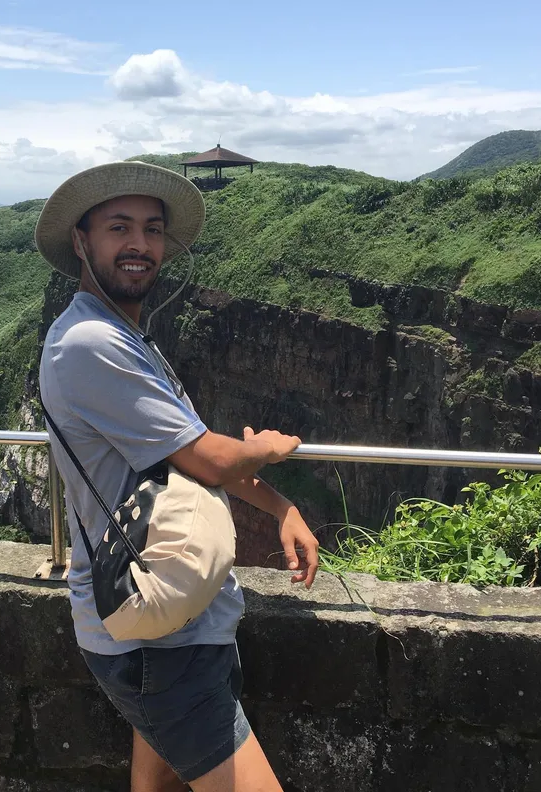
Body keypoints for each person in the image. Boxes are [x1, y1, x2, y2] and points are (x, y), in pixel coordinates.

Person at [36, 161, 319, 791]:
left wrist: (280, 509)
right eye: (118, 227)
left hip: (176, 621)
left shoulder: (132, 339)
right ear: (82, 241)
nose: (139, 244)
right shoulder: (88, 343)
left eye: (152, 229)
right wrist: (269, 447)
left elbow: (189, 454)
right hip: (159, 649)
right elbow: (216, 460)